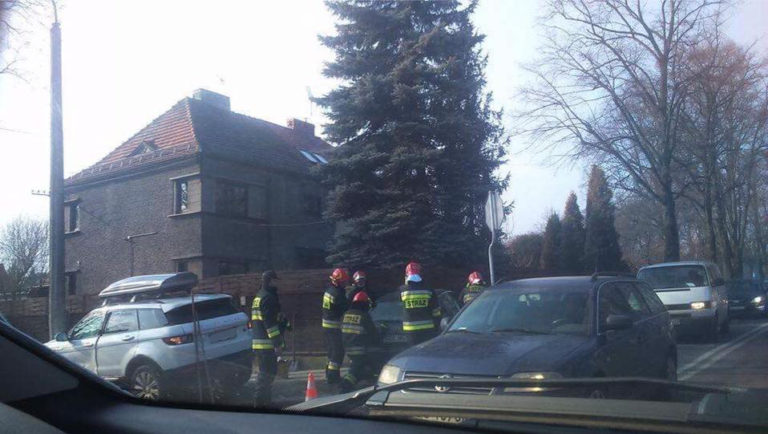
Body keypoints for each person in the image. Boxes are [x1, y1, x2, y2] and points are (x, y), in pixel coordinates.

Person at [251, 270, 285, 407]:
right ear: (270, 281)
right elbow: (269, 324)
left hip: (259, 342)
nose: (277, 283)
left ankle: (265, 401)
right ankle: (260, 403)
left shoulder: (259, 296)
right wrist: (277, 343)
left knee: (268, 373)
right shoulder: (268, 298)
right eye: (275, 280)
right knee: (266, 374)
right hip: (267, 344)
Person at [340, 291, 380, 393]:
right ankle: (346, 384)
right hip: (359, 348)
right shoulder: (363, 316)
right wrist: (382, 331)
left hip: (347, 347)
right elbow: (373, 333)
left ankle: (352, 383)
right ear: (363, 304)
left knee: (357, 366)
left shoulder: (346, 314)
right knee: (356, 368)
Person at [399, 262, 441, 346]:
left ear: (407, 275)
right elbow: (436, 311)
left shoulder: (402, 290)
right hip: (428, 329)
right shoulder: (428, 289)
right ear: (420, 274)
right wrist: (437, 325)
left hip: (410, 331)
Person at [322, 268, 349, 384]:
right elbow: (345, 308)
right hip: (334, 326)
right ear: (338, 281)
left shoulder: (329, 290)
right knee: (338, 352)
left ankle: (329, 374)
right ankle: (333, 377)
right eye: (343, 282)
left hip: (327, 324)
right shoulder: (338, 294)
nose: (345, 284)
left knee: (332, 350)